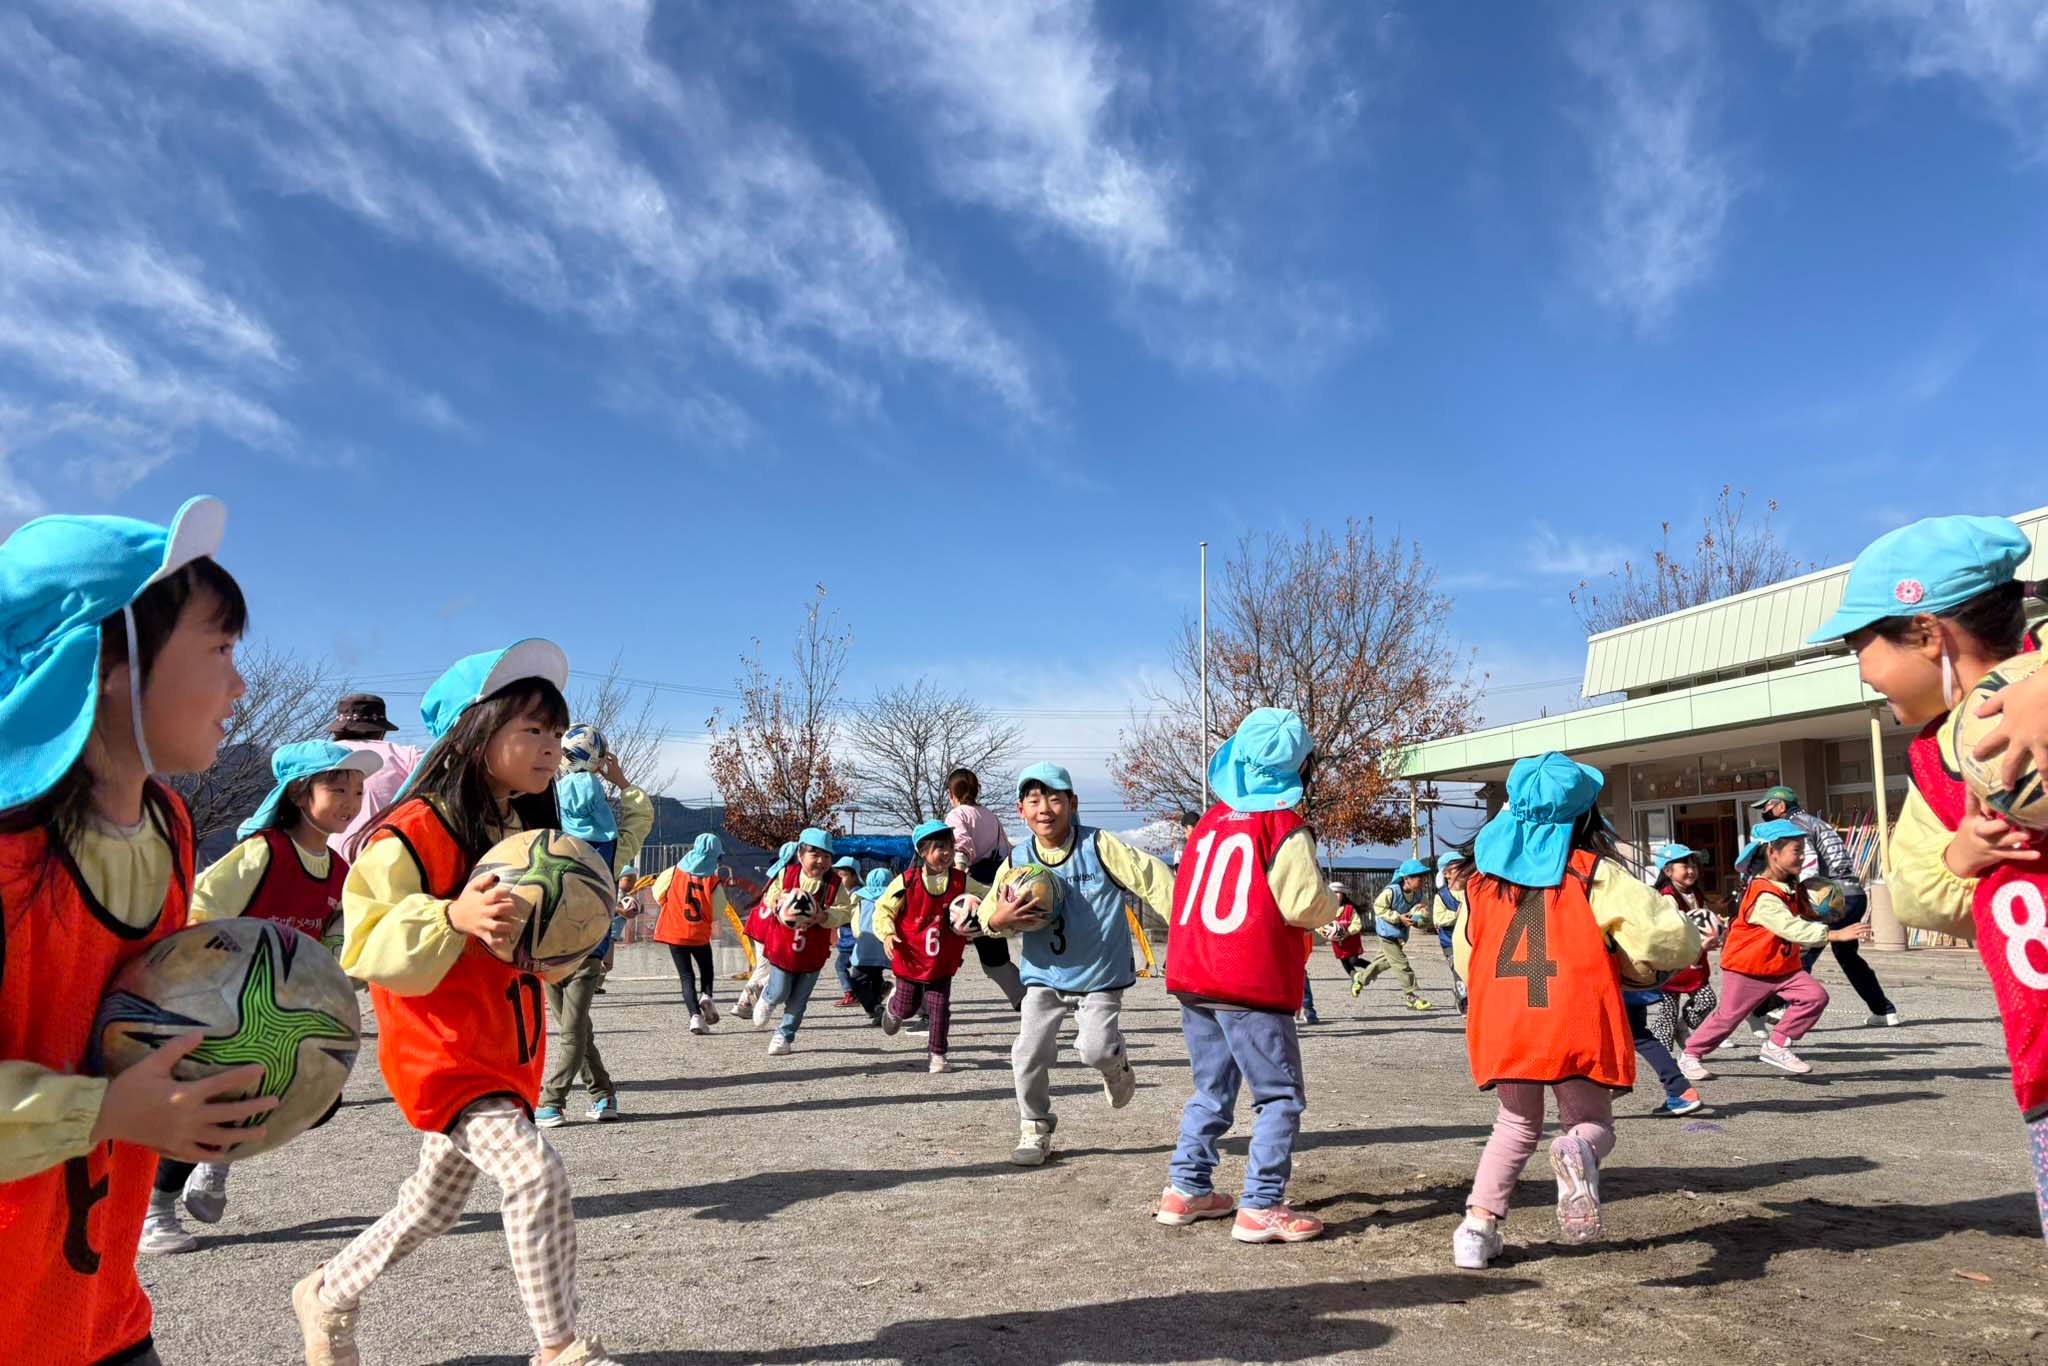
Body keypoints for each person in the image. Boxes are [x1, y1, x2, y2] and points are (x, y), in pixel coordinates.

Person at [0, 495, 280, 1366]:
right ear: (109, 661)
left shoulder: (169, 825)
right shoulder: (7, 859)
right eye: (222, 648)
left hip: (102, 1310)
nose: (240, 684)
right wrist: (101, 1109)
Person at [295, 638, 618, 1366]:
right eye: (531, 729)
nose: (550, 747)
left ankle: (326, 1293)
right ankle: (560, 1348)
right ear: (474, 733)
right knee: (536, 1176)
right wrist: (449, 916)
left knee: (430, 1207)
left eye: (556, 732)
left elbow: (522, 951)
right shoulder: (409, 834)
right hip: (442, 1052)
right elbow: (363, 937)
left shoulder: (521, 834)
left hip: (505, 1048)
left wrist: (571, 933)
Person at [1806, 514, 2048, 1243]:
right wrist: (1964, 856)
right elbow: (1915, 894)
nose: (1862, 673)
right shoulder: (1934, 755)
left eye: (1861, 648)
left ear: (1925, 633)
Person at [1452, 753, 1700, 1269]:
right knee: (1591, 1123)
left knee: (1515, 1124)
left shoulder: (1479, 884)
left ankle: (1476, 1229)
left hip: (1507, 1019)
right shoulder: (1595, 873)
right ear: (1585, 816)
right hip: (1575, 1015)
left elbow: (1466, 951)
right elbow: (1664, 939)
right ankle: (1579, 1151)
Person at [146, 739, 384, 1252]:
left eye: (359, 791)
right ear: (300, 794)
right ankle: (156, 1211)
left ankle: (218, 1160)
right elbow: (200, 907)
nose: (350, 801)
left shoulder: (340, 873)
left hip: (280, 1012)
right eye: (337, 788)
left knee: (318, 1098)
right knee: (208, 1099)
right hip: (220, 1004)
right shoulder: (263, 852)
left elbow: (334, 943)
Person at [1156, 709, 1342, 1243]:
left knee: (1210, 1087)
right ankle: (1262, 1204)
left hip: (1194, 972)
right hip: (1249, 979)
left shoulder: (1210, 823)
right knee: (1278, 1096)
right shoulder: (1283, 826)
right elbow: (1304, 902)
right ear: (1302, 769)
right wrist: (1336, 905)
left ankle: (1186, 1187)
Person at [979, 763, 1175, 1167]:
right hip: (1044, 976)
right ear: (1021, 810)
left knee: (1095, 1050)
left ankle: (1116, 1065)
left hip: (1100, 975)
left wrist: (1188, 925)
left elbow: (1152, 878)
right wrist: (999, 920)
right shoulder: (1018, 859)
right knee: (1028, 1051)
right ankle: (1035, 1126)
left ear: (1072, 803)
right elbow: (988, 915)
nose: (1044, 809)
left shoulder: (1100, 845)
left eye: (1054, 798)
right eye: (1034, 800)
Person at [1677, 820, 1860, 1079]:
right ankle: (1690, 1055)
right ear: (1773, 853)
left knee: (1814, 997)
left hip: (1782, 967)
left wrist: (1821, 909)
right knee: (1728, 1018)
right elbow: (1790, 928)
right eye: (1797, 851)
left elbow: (1799, 917)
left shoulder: (1791, 885)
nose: (1802, 857)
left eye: (1803, 850)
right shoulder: (1763, 894)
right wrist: (1835, 934)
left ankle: (1776, 1045)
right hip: (1748, 968)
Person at [536, 753, 652, 1128]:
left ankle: (551, 1100)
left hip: (558, 951)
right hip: (573, 950)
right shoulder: (614, 848)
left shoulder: (549, 842)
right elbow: (641, 817)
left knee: (571, 1030)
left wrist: (552, 772)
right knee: (578, 1028)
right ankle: (603, 1095)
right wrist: (621, 781)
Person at [1747, 783, 1901, 1028]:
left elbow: (1808, 866)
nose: (1764, 811)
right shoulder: (1817, 822)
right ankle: (1883, 1010)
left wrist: (1797, 897)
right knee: (1848, 957)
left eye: (1767, 806)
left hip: (1826, 897)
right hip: (1854, 894)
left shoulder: (1795, 827)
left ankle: (1781, 1004)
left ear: (1781, 806)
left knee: (1801, 951)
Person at [873, 821, 987, 1073]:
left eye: (949, 846)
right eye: (938, 847)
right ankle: (893, 1008)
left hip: (942, 960)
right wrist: (888, 934)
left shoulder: (961, 881)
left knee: (939, 1008)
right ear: (922, 851)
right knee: (909, 1006)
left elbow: (985, 897)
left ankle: (938, 1055)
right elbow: (883, 910)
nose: (946, 852)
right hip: (910, 957)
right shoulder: (907, 881)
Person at [749, 827, 855, 1056]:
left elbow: (845, 911)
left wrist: (824, 916)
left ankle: (784, 1035)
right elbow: (770, 896)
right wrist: (778, 901)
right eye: (815, 855)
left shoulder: (834, 884)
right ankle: (767, 998)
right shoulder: (787, 874)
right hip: (782, 949)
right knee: (780, 991)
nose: (821, 861)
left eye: (827, 856)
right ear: (800, 854)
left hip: (812, 954)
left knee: (798, 1000)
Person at [946, 767, 1028, 1010]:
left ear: (951, 793)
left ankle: (923, 1010)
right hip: (994, 888)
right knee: (994, 957)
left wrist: (956, 884)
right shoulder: (990, 816)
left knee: (937, 951)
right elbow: (1006, 850)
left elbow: (960, 848)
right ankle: (1025, 1000)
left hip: (969, 889)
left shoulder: (956, 816)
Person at [647, 832, 730, 1034]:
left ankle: (695, 1017)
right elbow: (719, 910)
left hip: (675, 932)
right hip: (699, 934)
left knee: (686, 977)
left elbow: (658, 893)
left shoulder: (674, 872)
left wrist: (671, 905)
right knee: (706, 969)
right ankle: (707, 995)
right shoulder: (712, 880)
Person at [326, 692, 423, 857]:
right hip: (388, 860)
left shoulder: (318, 756)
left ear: (339, 729)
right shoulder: (407, 756)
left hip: (324, 865)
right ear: (381, 730)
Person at [1647, 844, 1720, 1063]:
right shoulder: (1666, 897)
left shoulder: (1695, 892)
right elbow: (1671, 931)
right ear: (1668, 872)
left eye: (1693, 866)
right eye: (1684, 866)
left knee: (1707, 1000)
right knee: (1667, 1013)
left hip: (1695, 961)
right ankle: (1661, 1058)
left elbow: (1703, 918)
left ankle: (1683, 1025)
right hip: (1675, 963)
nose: (1691, 870)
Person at [1354, 859, 1435, 1011]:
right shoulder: (1391, 892)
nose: (1422, 881)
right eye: (1418, 877)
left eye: (1423, 877)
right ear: (1406, 879)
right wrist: (1398, 917)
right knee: (1401, 964)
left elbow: (1423, 912)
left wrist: (1422, 917)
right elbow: (1378, 907)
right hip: (1386, 934)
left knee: (1383, 962)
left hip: (1400, 935)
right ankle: (1411, 996)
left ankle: (1361, 979)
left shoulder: (1418, 895)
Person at [847, 867, 894, 1022]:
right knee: (875, 975)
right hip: (885, 947)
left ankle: (874, 1006)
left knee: (855, 979)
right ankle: (878, 1008)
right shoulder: (892, 901)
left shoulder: (861, 901)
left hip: (865, 947)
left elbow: (855, 928)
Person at [1434, 852, 1471, 1014]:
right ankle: (1463, 1000)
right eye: (1459, 868)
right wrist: (1455, 916)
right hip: (1450, 943)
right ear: (1446, 874)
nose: (1464, 872)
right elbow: (1438, 919)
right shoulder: (1442, 896)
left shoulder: (1472, 892)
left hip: (1470, 941)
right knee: (1459, 971)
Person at [832, 854, 862, 1006]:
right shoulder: (844, 894)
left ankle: (850, 993)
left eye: (843, 876)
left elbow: (848, 915)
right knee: (858, 969)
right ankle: (879, 987)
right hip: (847, 941)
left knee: (841, 966)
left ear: (854, 876)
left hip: (853, 941)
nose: (840, 880)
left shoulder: (856, 894)